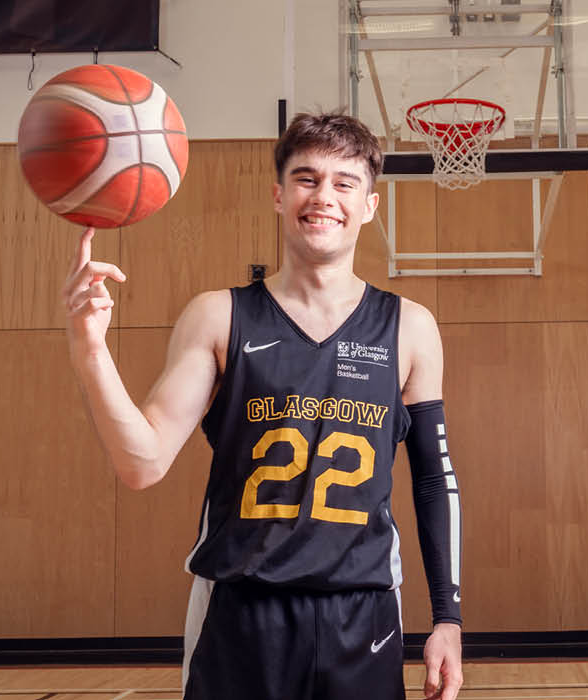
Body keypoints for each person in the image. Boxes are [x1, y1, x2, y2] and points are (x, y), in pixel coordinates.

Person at [61, 112, 463, 700]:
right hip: (242, 613)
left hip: (365, 614)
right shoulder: (219, 315)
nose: (323, 196)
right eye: (306, 178)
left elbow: (434, 479)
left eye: (344, 182)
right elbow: (141, 463)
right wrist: (90, 349)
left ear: (370, 205)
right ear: (279, 196)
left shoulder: (410, 329)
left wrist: (447, 617)